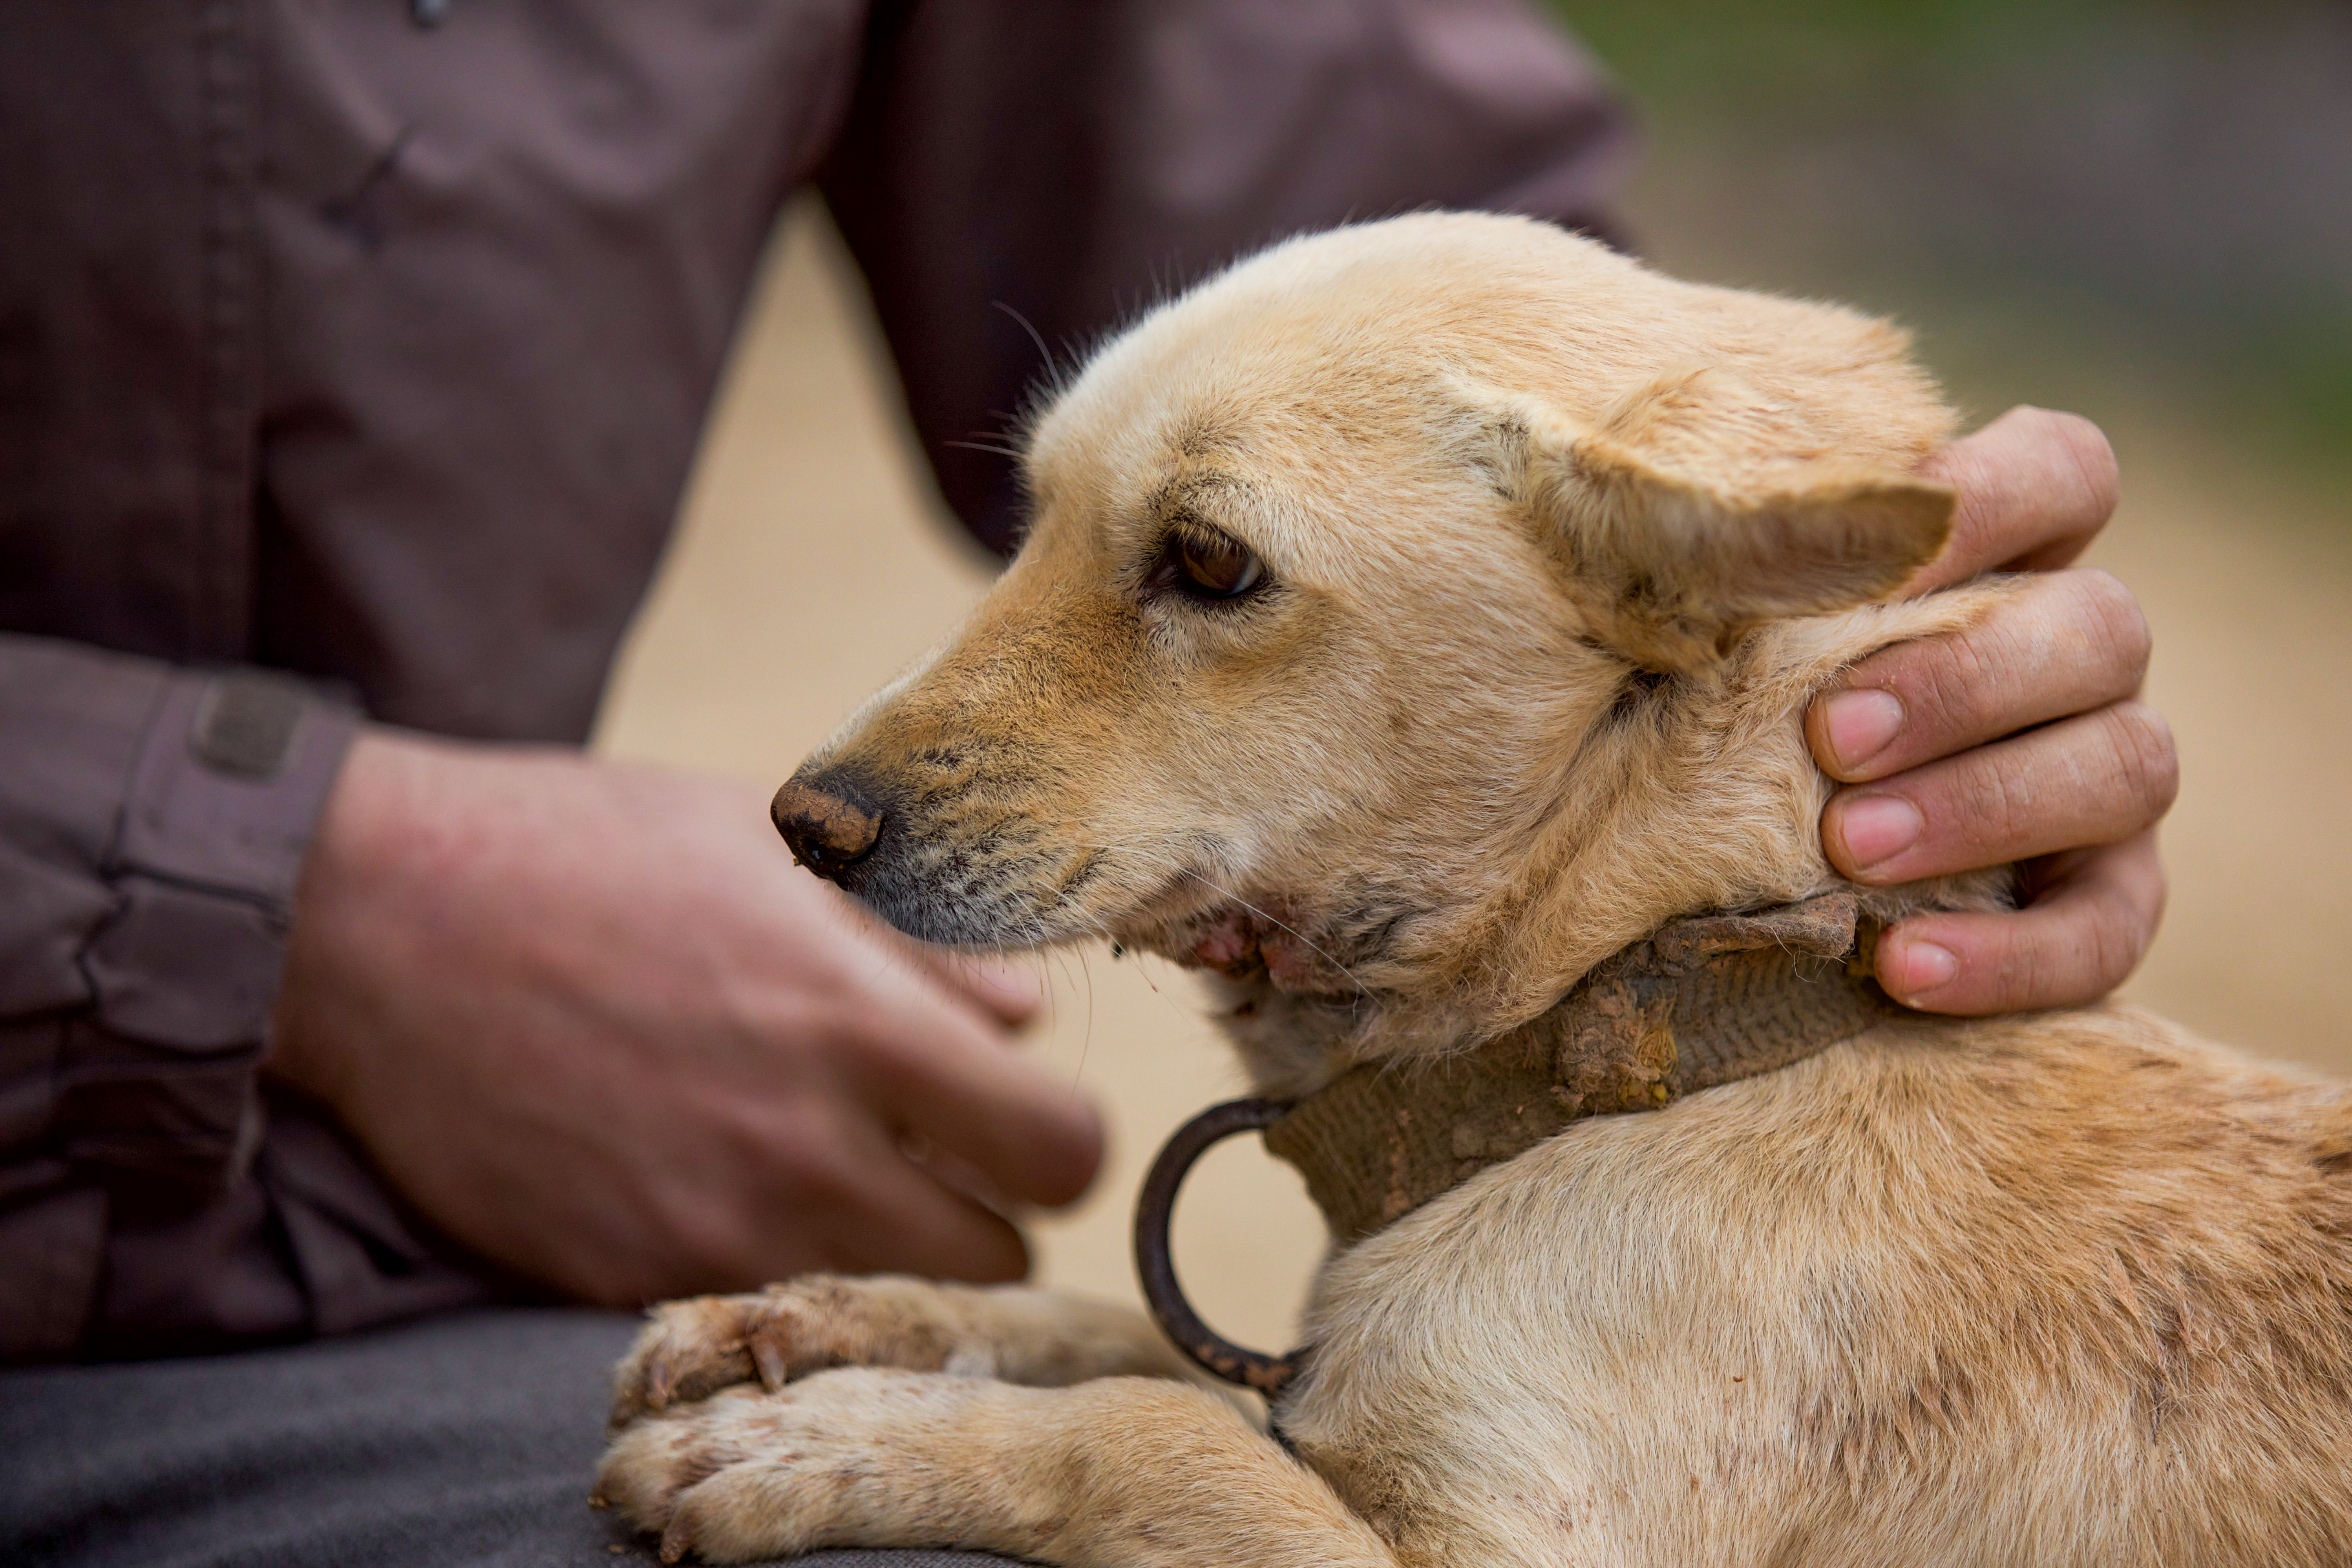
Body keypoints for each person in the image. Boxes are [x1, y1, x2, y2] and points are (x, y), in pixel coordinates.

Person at [0, 2, 2173, 1563]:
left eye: (1197, 569)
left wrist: (1813, 519)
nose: (843, 788)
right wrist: (290, 899)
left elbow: (1364, 298)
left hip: (340, 1266)